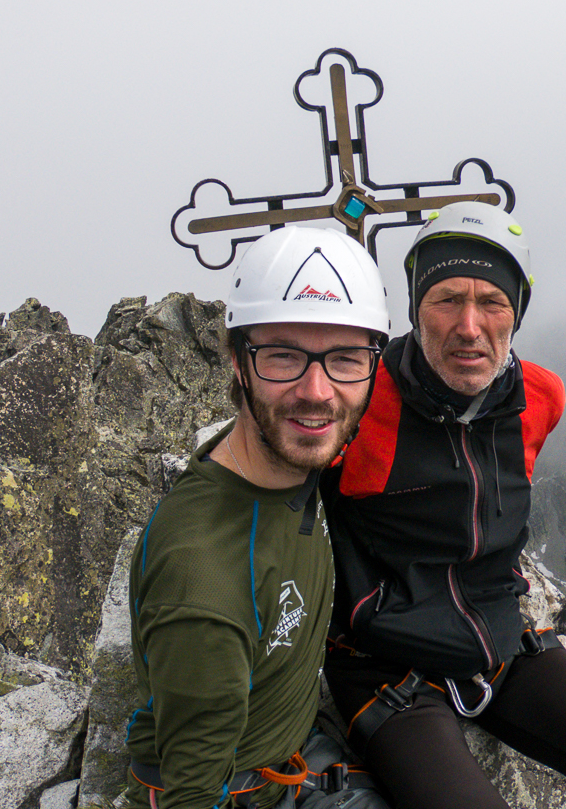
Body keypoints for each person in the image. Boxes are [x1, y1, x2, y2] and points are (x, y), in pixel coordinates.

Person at [322, 202, 566, 809]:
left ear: (516, 313)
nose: (469, 325)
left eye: (492, 302)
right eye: (446, 299)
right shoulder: (360, 400)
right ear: (416, 306)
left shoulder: (541, 396)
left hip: (499, 645)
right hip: (386, 668)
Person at [125, 226, 389, 809]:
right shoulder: (206, 579)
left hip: (301, 741)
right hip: (254, 787)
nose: (316, 392)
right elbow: (190, 795)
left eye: (345, 358)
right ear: (240, 364)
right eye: (284, 357)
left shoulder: (278, 452)